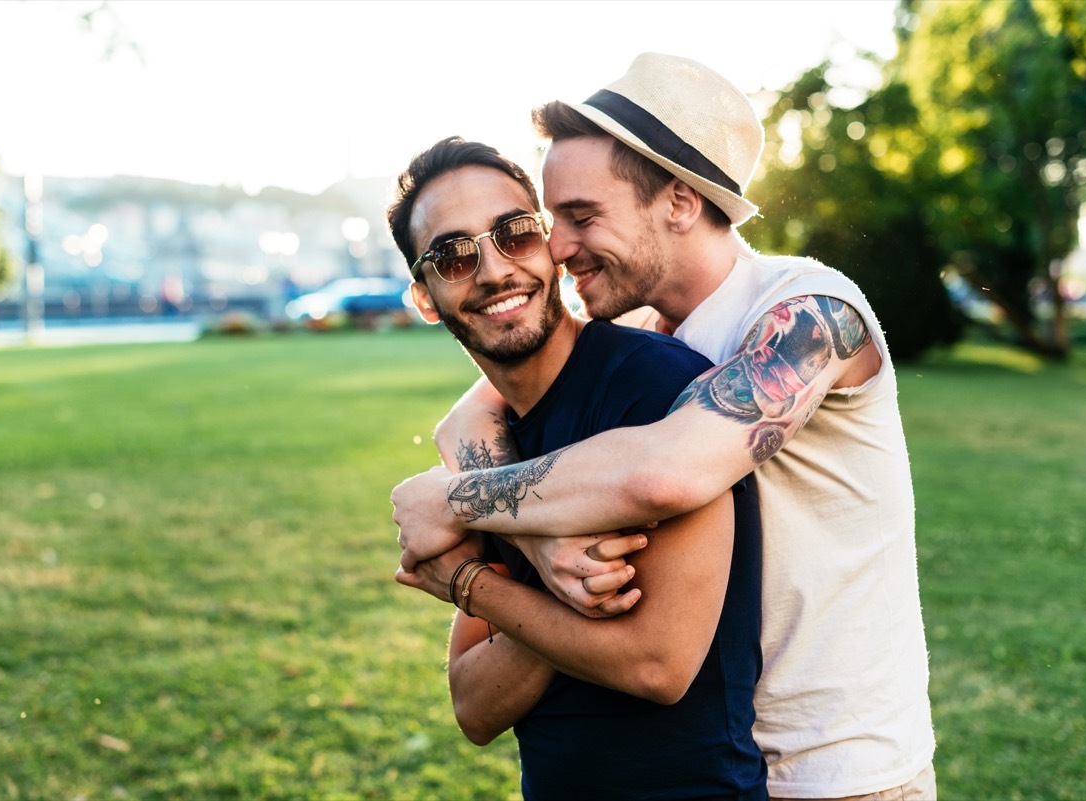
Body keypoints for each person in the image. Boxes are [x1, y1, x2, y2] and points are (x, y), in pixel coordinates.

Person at [391, 54, 937, 801]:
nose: (558, 248)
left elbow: (665, 470)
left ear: (679, 201)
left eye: (582, 217)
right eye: (553, 222)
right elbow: (476, 407)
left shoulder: (808, 313)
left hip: (839, 769)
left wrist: (454, 506)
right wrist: (543, 548)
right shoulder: (650, 324)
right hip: (730, 757)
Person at [388, 135, 768, 801]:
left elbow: (658, 662)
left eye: (514, 232)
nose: (494, 269)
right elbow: (474, 706)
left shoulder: (656, 390)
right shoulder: (489, 444)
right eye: (452, 254)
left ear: (551, 247)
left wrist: (470, 581)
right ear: (424, 298)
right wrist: (555, 581)